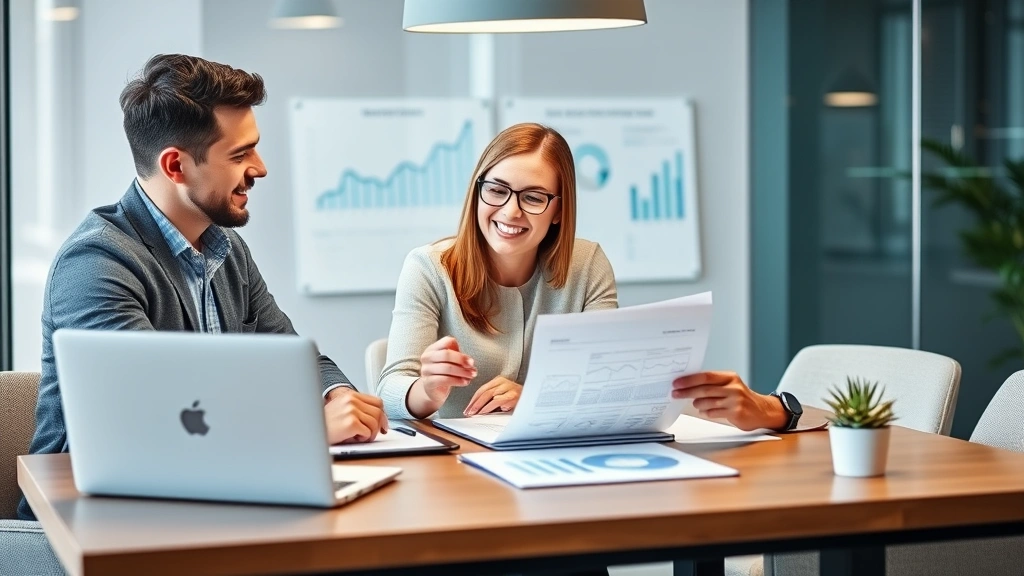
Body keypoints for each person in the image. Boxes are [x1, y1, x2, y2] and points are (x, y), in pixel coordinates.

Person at [18, 54, 386, 520]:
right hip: (98, 516)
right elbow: (153, 420)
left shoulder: (226, 249)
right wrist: (305, 431)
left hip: (210, 495)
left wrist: (335, 397)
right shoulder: (97, 262)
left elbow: (293, 356)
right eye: (239, 154)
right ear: (176, 166)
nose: (261, 167)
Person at [375, 122, 801, 434]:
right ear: (477, 190)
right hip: (457, 473)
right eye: (497, 189)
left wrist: (534, 401)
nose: (509, 212)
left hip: (556, 463)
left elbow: (606, 386)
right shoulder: (429, 267)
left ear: (559, 209)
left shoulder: (587, 264)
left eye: (534, 197)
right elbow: (390, 391)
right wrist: (427, 390)